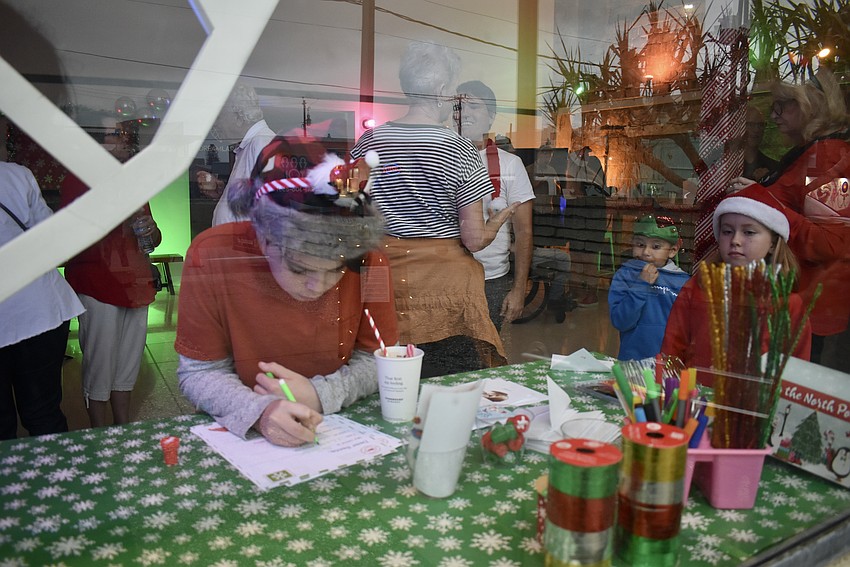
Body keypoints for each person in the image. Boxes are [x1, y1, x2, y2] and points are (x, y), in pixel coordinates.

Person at [175, 136, 398, 447]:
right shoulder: (212, 253)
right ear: (264, 239)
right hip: (247, 430)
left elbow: (382, 359)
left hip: (340, 428)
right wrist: (261, 411)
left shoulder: (370, 261)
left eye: (336, 269)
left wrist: (321, 393)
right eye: (299, 268)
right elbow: (200, 371)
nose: (317, 286)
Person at [349, 41, 517, 377]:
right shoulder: (459, 148)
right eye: (453, 90)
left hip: (385, 278)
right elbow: (473, 240)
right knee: (449, 385)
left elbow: (353, 215)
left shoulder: (369, 142)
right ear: (441, 90)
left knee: (390, 381)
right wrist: (499, 220)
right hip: (446, 292)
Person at [729, 68, 850, 367]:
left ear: (813, 103)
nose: (775, 116)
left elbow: (831, 243)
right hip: (796, 306)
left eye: (784, 104)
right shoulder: (811, 153)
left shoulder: (827, 157)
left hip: (811, 313)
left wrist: (766, 202)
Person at [60, 120, 162, 427]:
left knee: (127, 368)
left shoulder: (132, 181)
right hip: (98, 284)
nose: (122, 138)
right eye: (112, 133)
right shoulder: (78, 180)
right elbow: (69, 238)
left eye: (122, 133)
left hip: (136, 284)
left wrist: (153, 231)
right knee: (100, 367)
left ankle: (123, 429)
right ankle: (100, 436)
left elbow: (152, 239)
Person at [661, 188, 811, 381]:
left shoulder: (789, 305)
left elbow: (794, 377)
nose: (735, 241)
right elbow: (672, 351)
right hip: (692, 403)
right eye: (727, 231)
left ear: (773, 242)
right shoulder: (698, 287)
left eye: (749, 232)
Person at [0, 162, 85, 439]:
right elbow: (49, 236)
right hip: (39, 310)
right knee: (43, 411)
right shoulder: (16, 174)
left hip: (31, 311)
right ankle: (59, 478)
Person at [455, 80, 535, 331]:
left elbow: (524, 232)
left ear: (491, 117)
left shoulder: (510, 164)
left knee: (484, 357)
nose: (464, 113)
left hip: (491, 279)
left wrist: (519, 289)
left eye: (473, 107)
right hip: (445, 275)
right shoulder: (439, 158)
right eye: (458, 107)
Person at [609, 214, 689, 360]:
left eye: (656, 246)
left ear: (673, 250)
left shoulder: (682, 283)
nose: (646, 252)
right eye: (640, 245)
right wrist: (641, 285)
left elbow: (688, 330)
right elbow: (621, 321)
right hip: (632, 362)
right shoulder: (625, 276)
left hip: (668, 364)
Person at [197, 83, 276, 226]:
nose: (215, 124)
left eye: (219, 116)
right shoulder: (250, 146)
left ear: (239, 116)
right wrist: (222, 194)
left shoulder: (262, 143)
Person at [742, 106, 778, 181]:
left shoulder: (772, 167)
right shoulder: (728, 165)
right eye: (751, 124)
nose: (756, 130)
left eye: (761, 125)